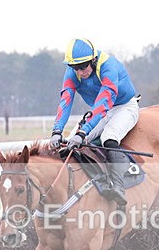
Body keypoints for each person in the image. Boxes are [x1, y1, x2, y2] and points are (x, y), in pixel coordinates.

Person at [48, 38, 139, 205]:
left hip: (124, 106)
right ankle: (99, 181)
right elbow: (66, 100)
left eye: (83, 67)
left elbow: (104, 102)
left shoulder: (108, 67)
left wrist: (84, 131)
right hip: (102, 110)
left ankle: (119, 186)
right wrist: (57, 131)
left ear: (93, 60)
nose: (80, 72)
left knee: (108, 138)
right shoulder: (73, 72)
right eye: (75, 68)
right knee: (72, 143)